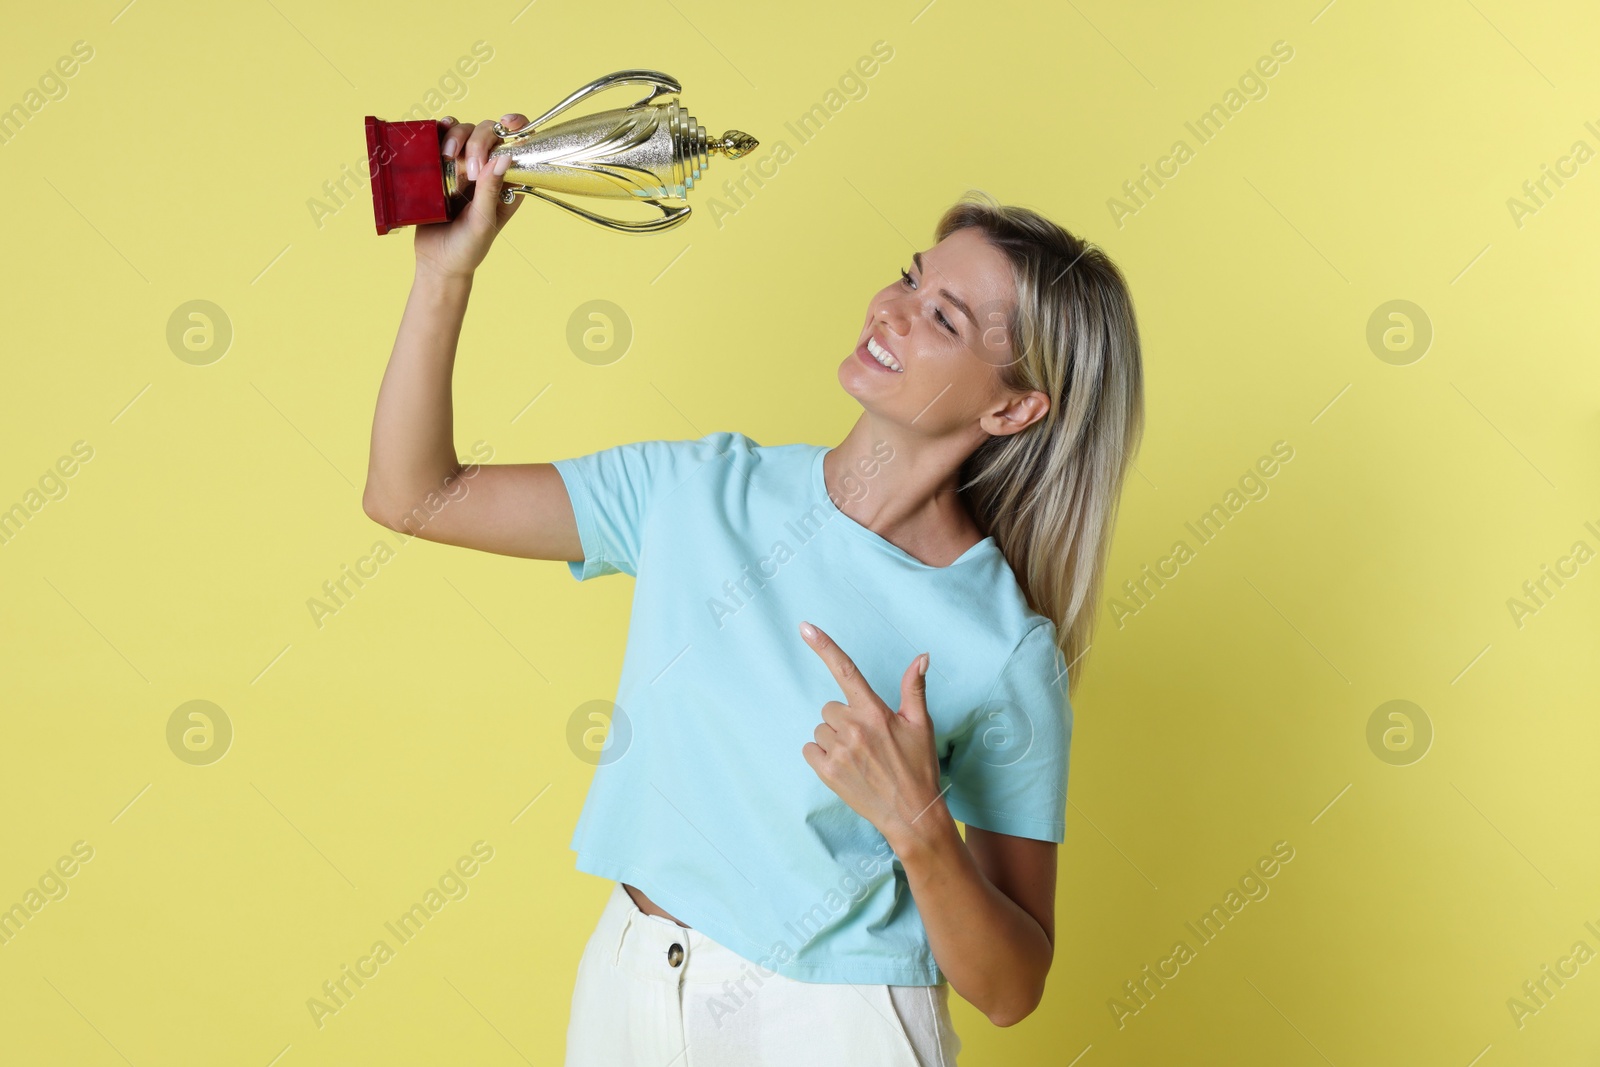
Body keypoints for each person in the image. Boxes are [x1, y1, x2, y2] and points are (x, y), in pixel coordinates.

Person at [361, 113, 1145, 1067]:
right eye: (910, 276)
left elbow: (1013, 987)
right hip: (627, 984)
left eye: (944, 317)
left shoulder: (1001, 644)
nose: (892, 310)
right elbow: (413, 494)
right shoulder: (697, 490)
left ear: (1013, 407)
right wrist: (445, 272)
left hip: (832, 1025)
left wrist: (918, 825)